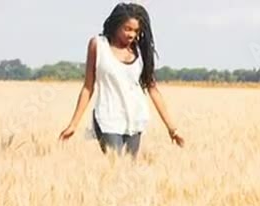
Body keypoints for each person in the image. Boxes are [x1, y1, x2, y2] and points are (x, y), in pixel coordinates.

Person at [59, 3, 185, 157]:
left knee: (128, 172)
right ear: (116, 25)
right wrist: (73, 124)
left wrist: (172, 129)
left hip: (134, 118)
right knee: (116, 163)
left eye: (136, 31)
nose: (132, 35)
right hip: (107, 117)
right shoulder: (98, 45)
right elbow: (88, 87)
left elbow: (153, 89)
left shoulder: (140, 51)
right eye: (127, 29)